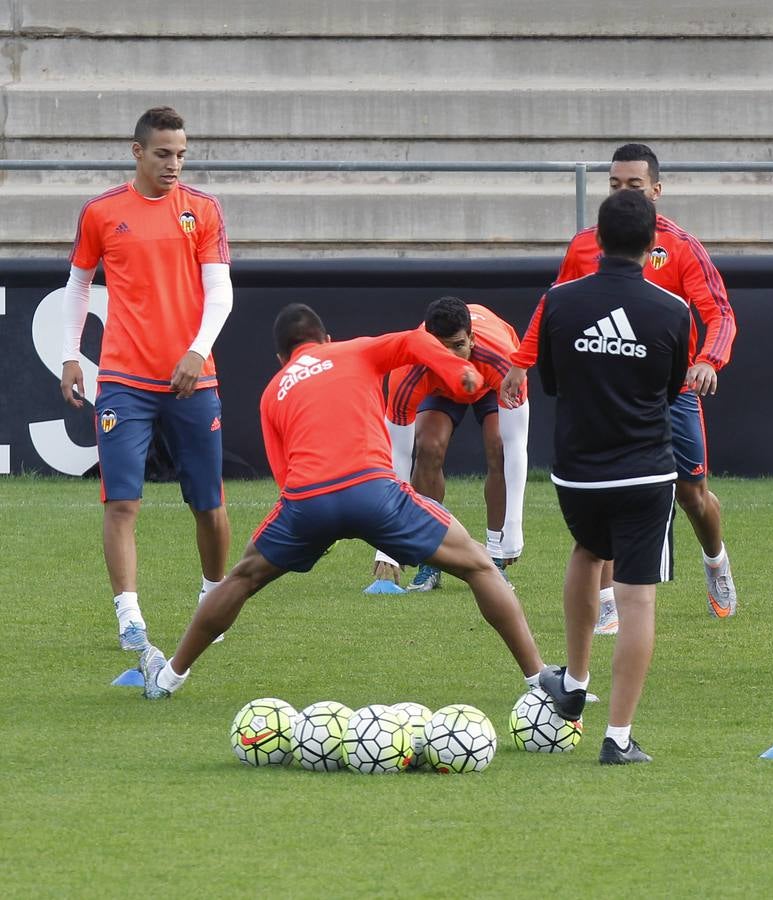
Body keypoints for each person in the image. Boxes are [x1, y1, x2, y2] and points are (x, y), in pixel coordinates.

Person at [137, 304, 550, 698]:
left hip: (306, 503)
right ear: (327, 338)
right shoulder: (356, 349)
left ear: (282, 356)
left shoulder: (272, 392)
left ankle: (170, 676)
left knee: (241, 579)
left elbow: (284, 477)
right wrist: (458, 367)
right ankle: (540, 680)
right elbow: (416, 340)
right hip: (374, 492)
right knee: (480, 565)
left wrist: (314, 532)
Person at [502, 143, 737, 634]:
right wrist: (521, 363)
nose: (624, 193)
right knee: (607, 489)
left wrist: (707, 360)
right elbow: (553, 307)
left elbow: (718, 314)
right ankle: (607, 602)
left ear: (656, 189)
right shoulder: (586, 244)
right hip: (604, 382)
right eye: (614, 185)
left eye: (633, 185)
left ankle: (715, 561)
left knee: (693, 495)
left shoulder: (681, 246)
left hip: (670, 387)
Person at [59, 106, 234, 653]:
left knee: (208, 502)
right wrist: (71, 355)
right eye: (163, 154)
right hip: (124, 380)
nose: (174, 164)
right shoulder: (102, 212)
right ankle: (129, 618)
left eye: (181, 154)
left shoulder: (203, 210)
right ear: (137, 152)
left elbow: (221, 293)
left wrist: (196, 351)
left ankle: (213, 596)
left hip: (193, 379)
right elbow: (78, 285)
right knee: (121, 502)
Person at [534, 189, 691, 764]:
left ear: (595, 240)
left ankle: (574, 684)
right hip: (644, 473)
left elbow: (549, 381)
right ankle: (618, 738)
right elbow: (671, 390)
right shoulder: (672, 311)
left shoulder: (558, 302)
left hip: (577, 473)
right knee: (637, 599)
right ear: (654, 246)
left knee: (585, 550)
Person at [373, 297, 529, 590]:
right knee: (428, 447)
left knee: (500, 446)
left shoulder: (503, 359)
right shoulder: (408, 370)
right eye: (439, 349)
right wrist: (386, 542)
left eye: (458, 346)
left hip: (489, 385)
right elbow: (398, 457)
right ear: (426, 345)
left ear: (472, 338)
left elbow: (516, 443)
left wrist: (513, 526)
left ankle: (495, 558)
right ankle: (431, 560)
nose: (452, 360)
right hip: (438, 388)